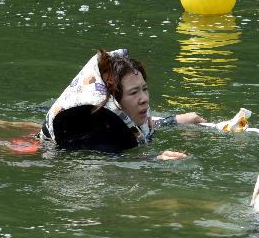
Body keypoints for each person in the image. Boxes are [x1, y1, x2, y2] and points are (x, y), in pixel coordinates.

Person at [40, 48, 204, 159]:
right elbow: (110, 163)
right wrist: (156, 159)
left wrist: (175, 121)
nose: (144, 98)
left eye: (144, 89)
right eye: (133, 93)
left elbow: (134, 127)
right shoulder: (95, 132)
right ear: (114, 100)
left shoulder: (121, 118)